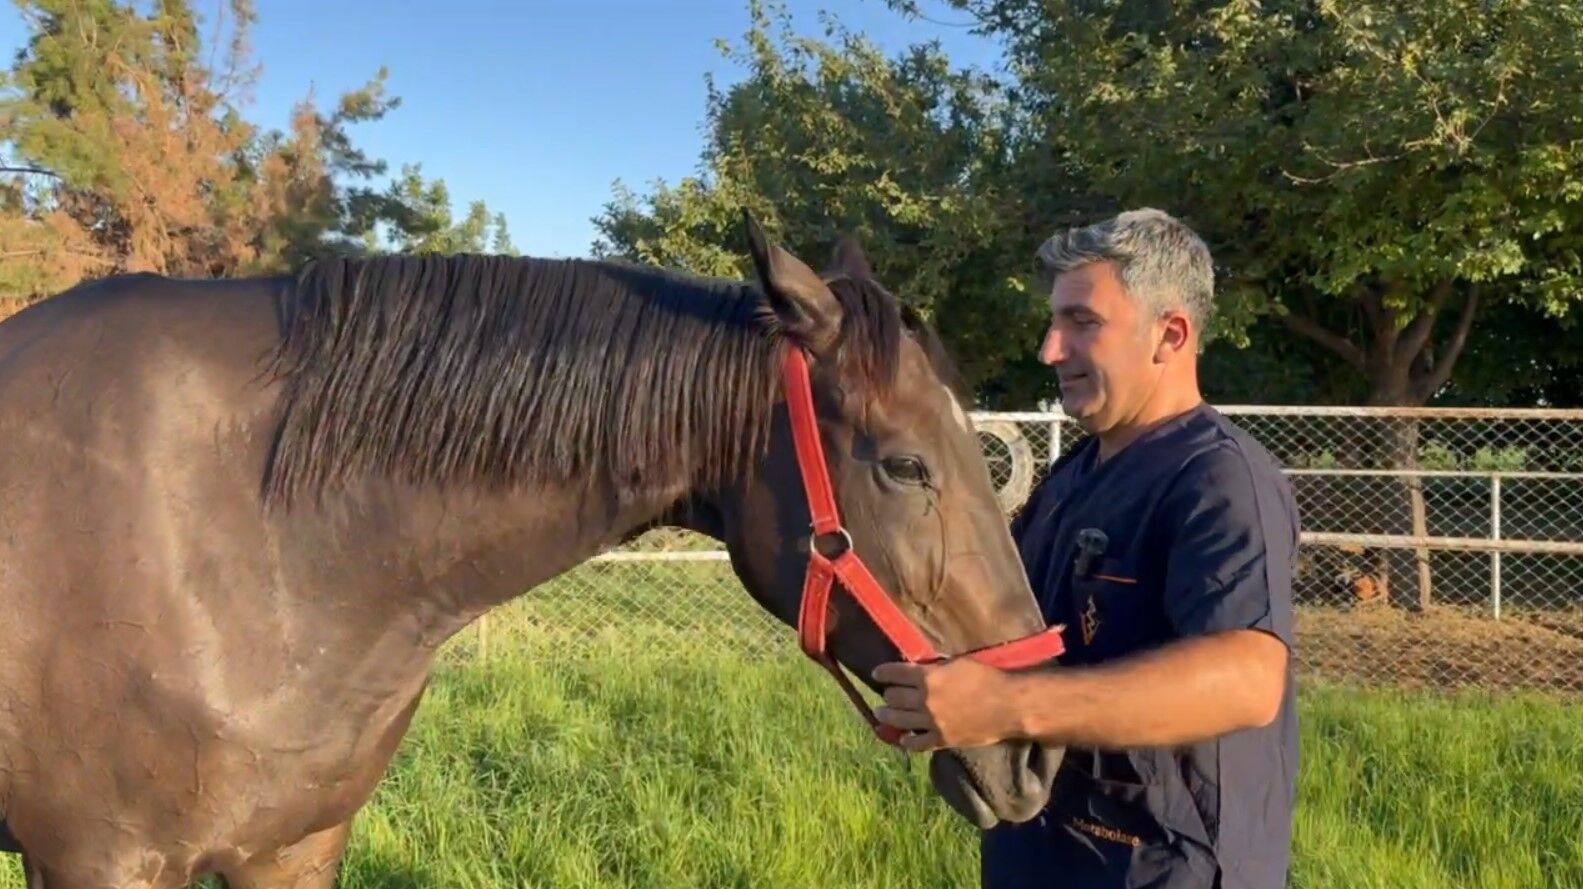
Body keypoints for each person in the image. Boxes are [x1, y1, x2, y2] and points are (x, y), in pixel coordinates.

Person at [871, 208, 1300, 888]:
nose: (1049, 349)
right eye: (1053, 322)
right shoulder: (1072, 477)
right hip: (1040, 852)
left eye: (1082, 322)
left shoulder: (1218, 479)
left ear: (1171, 334)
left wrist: (1005, 707)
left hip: (1159, 866)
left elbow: (1246, 680)